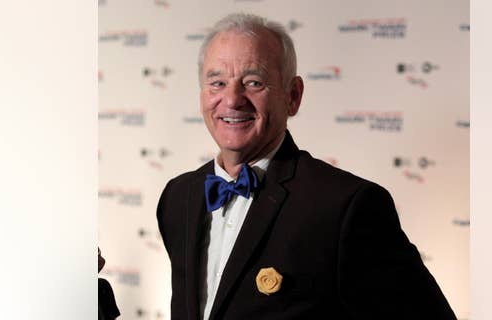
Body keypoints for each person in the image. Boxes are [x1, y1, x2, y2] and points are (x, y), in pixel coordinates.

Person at [157, 12, 456, 320]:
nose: (232, 99)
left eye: (254, 82)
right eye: (217, 82)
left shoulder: (346, 207)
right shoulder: (178, 197)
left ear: (293, 96)